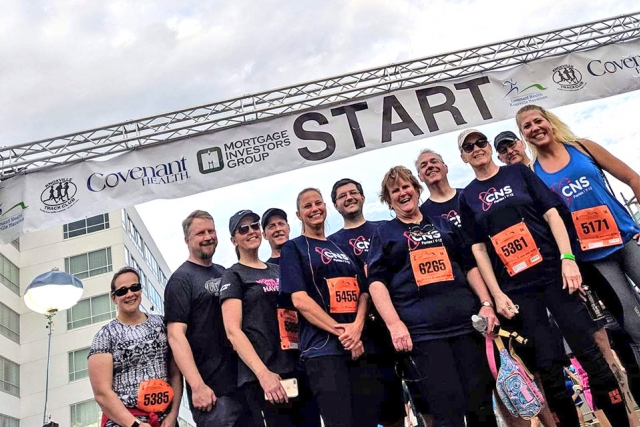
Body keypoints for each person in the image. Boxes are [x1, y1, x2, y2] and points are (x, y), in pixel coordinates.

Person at [457, 128, 630, 426]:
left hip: (555, 274)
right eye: (469, 147)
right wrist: (497, 294)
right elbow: (479, 250)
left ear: (488, 146)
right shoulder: (468, 197)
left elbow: (552, 214)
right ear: (463, 156)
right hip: (518, 289)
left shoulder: (518, 174)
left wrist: (568, 259)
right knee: (548, 369)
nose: (476, 149)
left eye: (480, 142)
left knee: (589, 353)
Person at [368, 166, 498, 427]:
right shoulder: (383, 233)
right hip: (424, 335)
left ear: (417, 189)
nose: (402, 193)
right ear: (389, 200)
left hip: (465, 327)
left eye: (406, 187)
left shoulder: (443, 224)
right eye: (395, 190)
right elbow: (376, 283)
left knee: (481, 405)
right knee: (446, 411)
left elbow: (468, 266)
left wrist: (486, 304)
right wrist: (394, 325)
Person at [516, 104, 640, 375]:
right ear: (524, 136)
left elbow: (632, 177)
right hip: (593, 257)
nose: (535, 128)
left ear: (549, 122)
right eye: (527, 126)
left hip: (625, 240)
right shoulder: (535, 174)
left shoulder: (582, 147)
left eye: (538, 121)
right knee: (634, 323)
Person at [279, 188, 384, 427]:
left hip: (358, 347)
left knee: (368, 420)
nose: (314, 209)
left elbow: (364, 292)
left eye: (318, 203)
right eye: (307, 206)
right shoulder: (293, 248)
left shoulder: (342, 247)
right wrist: (343, 333)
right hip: (323, 351)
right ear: (298, 214)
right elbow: (300, 300)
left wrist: (357, 328)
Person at [328, 178, 406, 427]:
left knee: (402, 406)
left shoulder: (384, 228)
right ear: (336, 205)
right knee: (368, 407)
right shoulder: (330, 244)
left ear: (362, 197)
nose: (349, 198)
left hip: (397, 323)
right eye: (342, 196)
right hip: (360, 334)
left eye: (353, 193)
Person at [220, 210, 303, 426]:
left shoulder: (278, 270)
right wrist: (263, 374)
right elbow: (232, 331)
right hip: (263, 376)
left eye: (255, 226)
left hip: (296, 368)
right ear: (233, 239)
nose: (251, 231)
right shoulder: (233, 274)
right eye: (243, 229)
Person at [164, 210, 245, 426]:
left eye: (211, 231)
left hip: (243, 383)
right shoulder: (180, 280)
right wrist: (197, 386)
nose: (208, 236)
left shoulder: (225, 273)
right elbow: (175, 336)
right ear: (187, 240)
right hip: (213, 394)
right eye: (200, 233)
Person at [88, 267, 182, 427]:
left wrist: (173, 415)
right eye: (122, 291)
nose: (130, 294)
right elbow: (102, 393)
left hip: (165, 420)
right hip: (125, 421)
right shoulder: (105, 336)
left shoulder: (162, 325)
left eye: (134, 287)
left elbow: (176, 373)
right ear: (114, 298)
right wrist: (134, 424)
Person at [415, 148, 463, 228]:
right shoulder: (422, 214)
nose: (430, 166)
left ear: (445, 168)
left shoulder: (469, 195)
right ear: (420, 177)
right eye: (423, 165)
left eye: (434, 161)